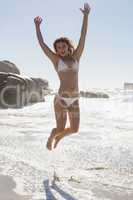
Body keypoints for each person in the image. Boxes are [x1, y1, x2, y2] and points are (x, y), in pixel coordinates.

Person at [34, 3, 91, 150]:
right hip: (61, 99)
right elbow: (42, 44)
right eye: (58, 48)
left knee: (74, 129)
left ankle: (58, 137)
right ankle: (52, 136)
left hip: (74, 99)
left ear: (68, 46)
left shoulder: (76, 57)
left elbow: (83, 36)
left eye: (63, 46)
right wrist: (37, 27)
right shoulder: (56, 60)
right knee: (59, 128)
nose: (61, 49)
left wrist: (86, 16)